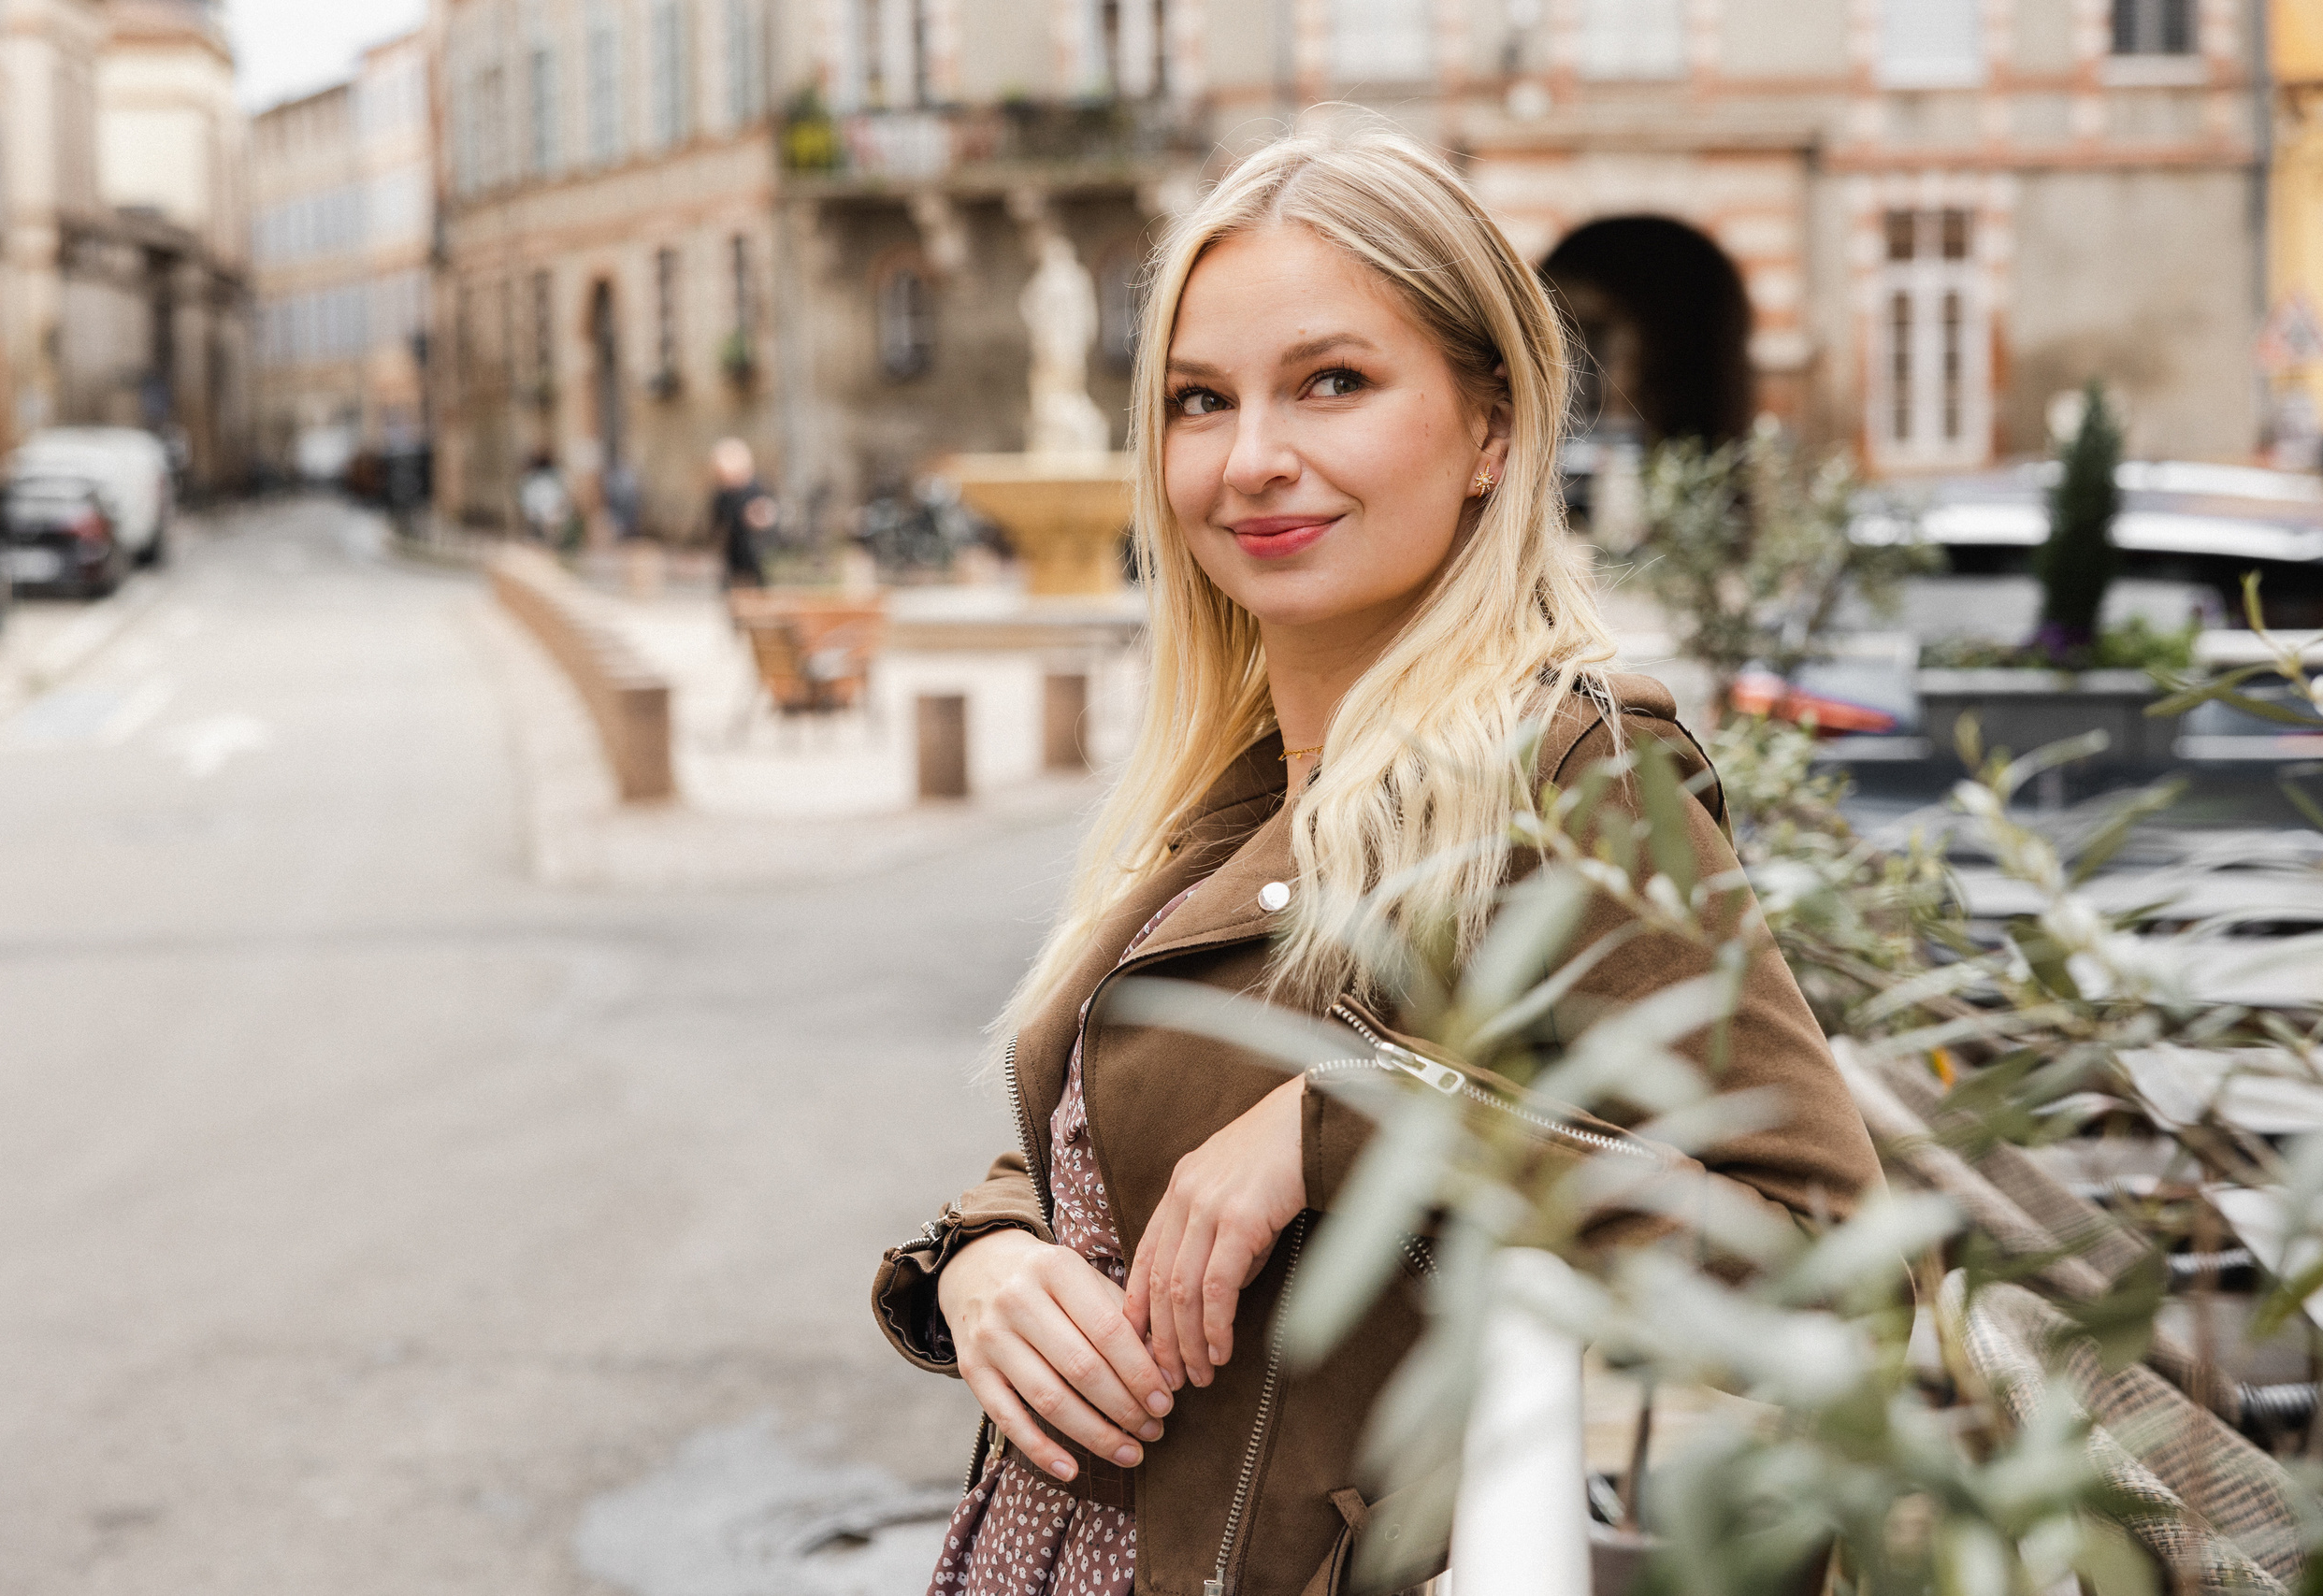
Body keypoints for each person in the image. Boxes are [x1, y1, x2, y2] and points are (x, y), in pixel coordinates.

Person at [869, 127, 1882, 1595]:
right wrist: (981, 1254)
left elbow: (1824, 1245)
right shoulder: (1236, 784)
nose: (1252, 455)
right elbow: (1132, 1137)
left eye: (1332, 381)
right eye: (1199, 399)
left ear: (1491, 428)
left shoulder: (1575, 770)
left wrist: (1352, 1128)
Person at [708, 437, 776, 588]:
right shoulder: (722, 495)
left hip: (756, 554)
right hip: (733, 554)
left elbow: (768, 520)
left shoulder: (758, 489)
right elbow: (717, 525)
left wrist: (759, 519)